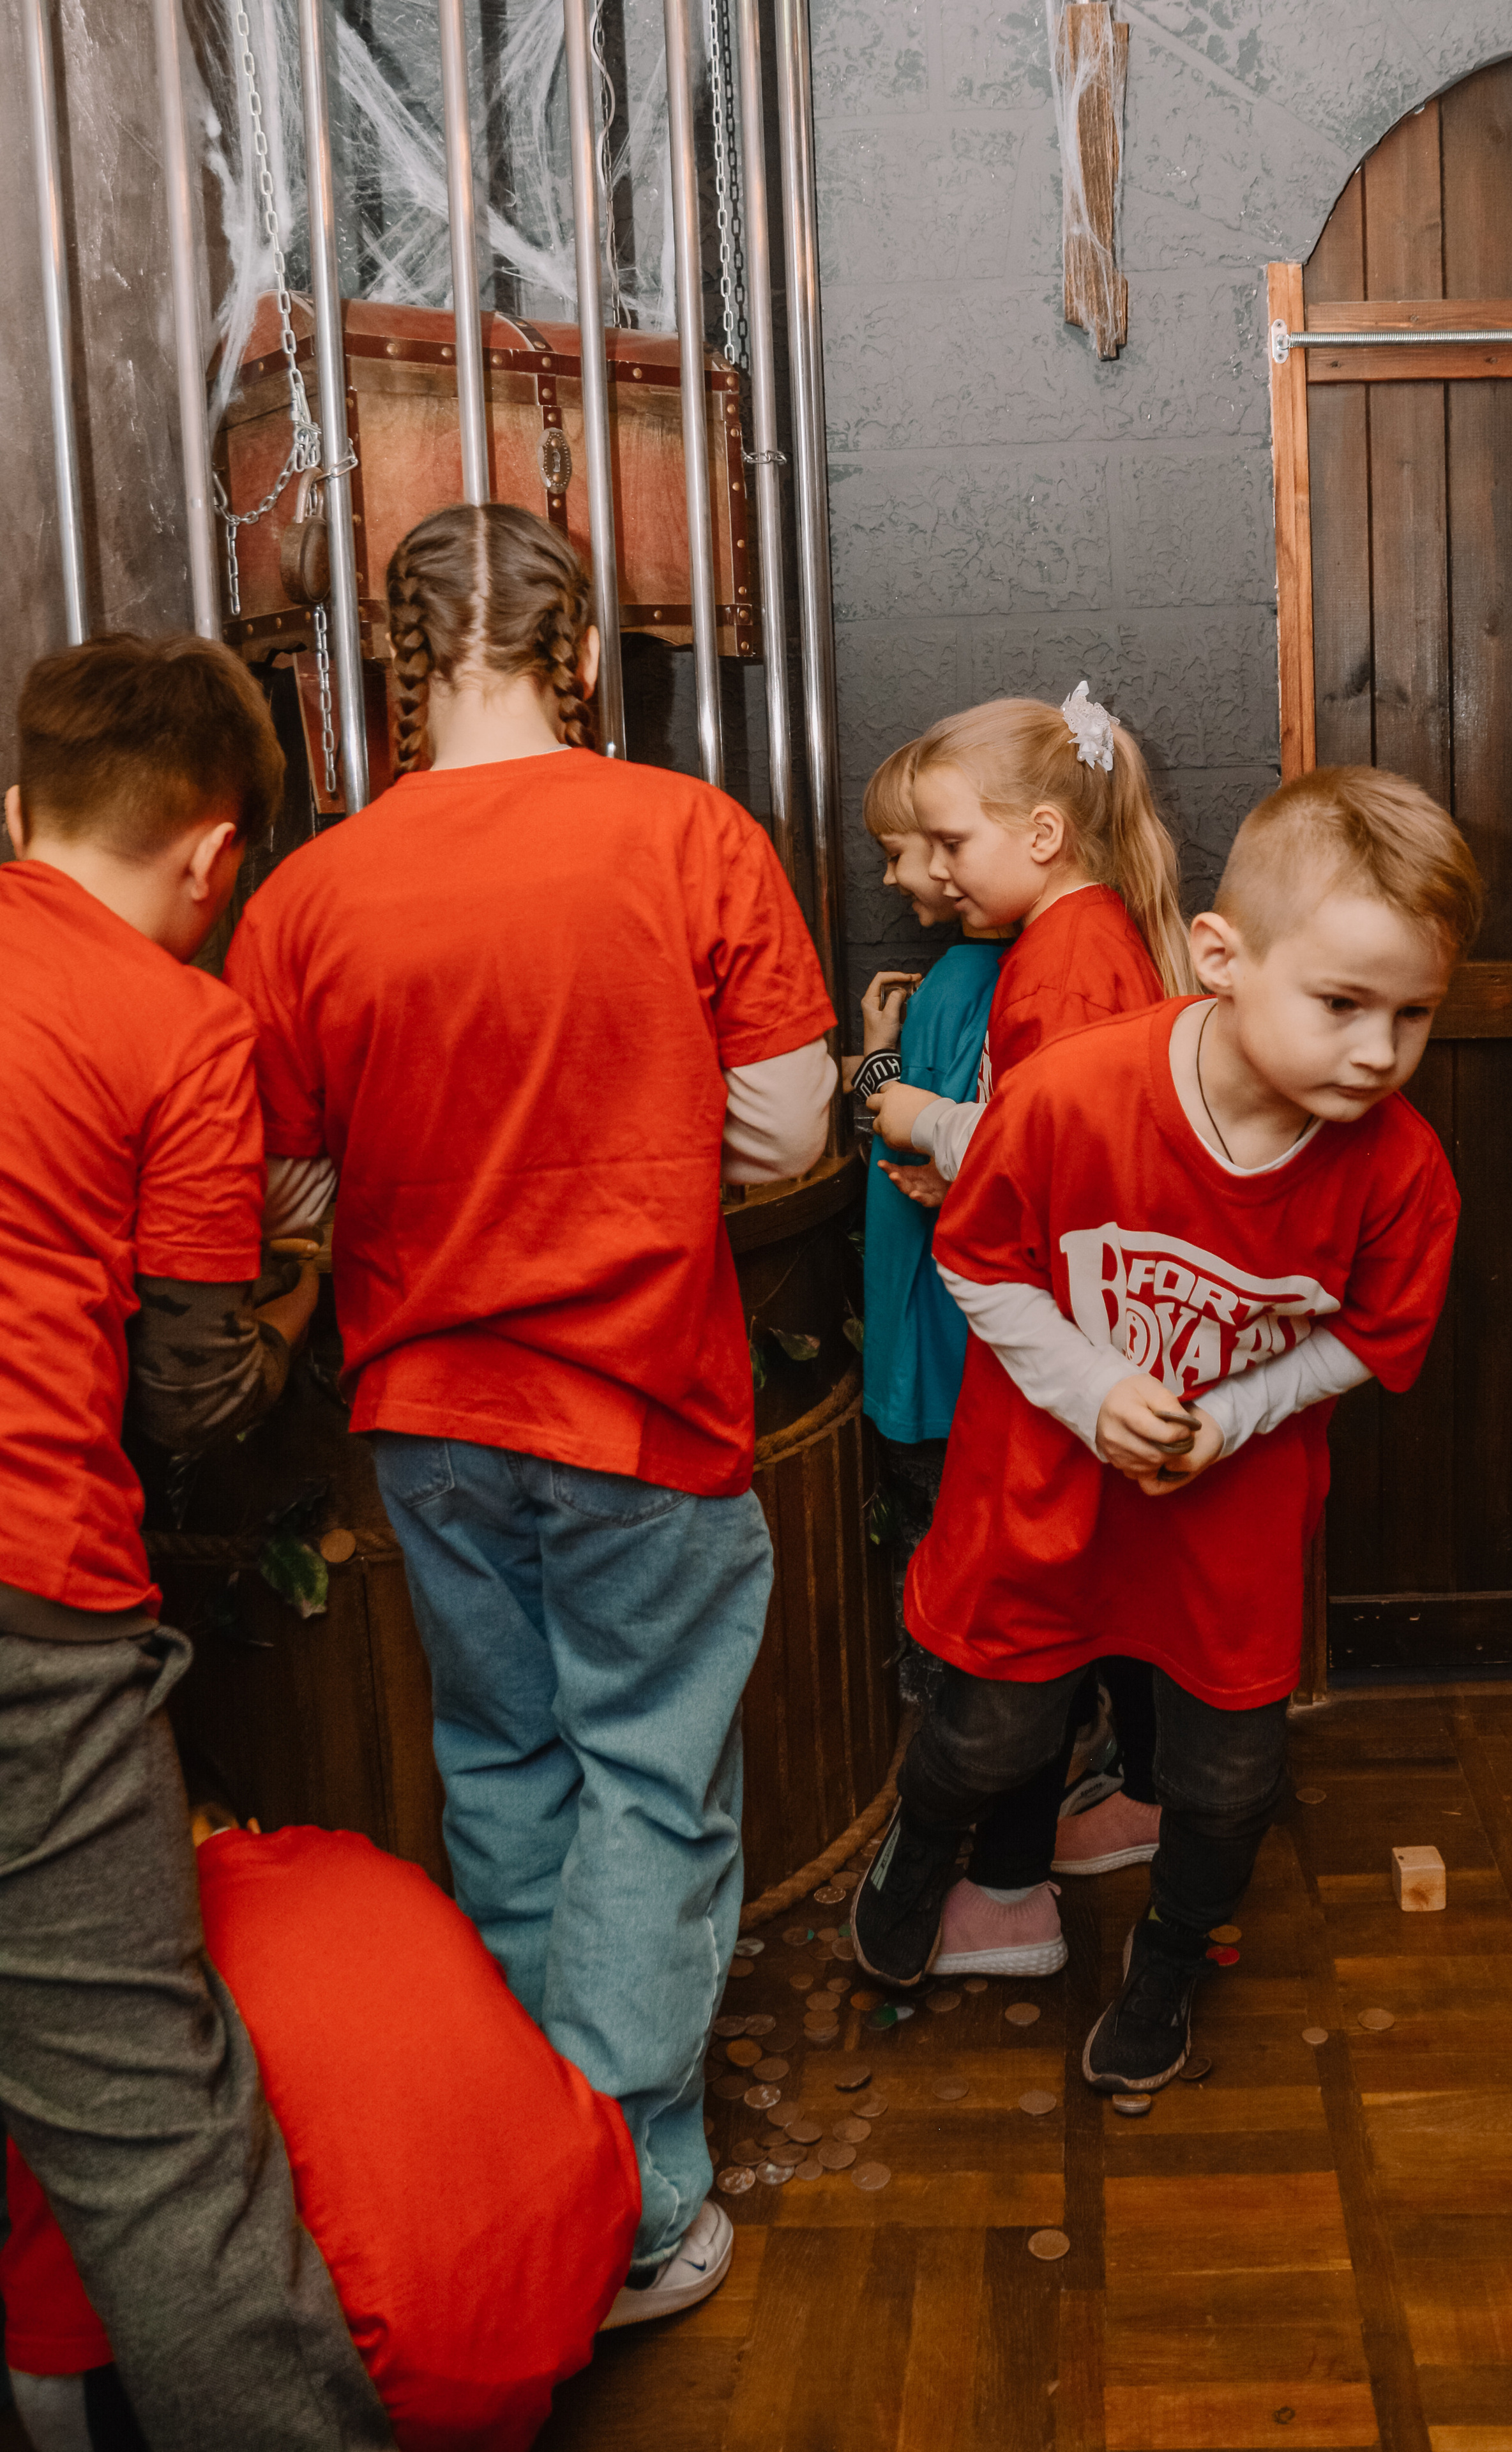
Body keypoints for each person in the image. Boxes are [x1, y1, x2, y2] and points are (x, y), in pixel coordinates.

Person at [223, 503, 837, 2322]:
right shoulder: (690, 833)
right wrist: (645, 1179)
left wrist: (413, 1202)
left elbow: (274, 1187)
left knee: (505, 1772)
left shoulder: (307, 891)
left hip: (426, 1412)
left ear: (396, 677)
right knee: (654, 1785)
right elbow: (795, 1132)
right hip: (643, 1399)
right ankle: (629, 2209)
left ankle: (517, 2179)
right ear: (581, 661)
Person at [861, 766, 1479, 2096]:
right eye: (1339, 1004)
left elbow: (1368, 1338)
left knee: (1224, 1777)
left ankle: (1167, 1968)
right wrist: (1088, 1391)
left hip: (1225, 1529)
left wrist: (1238, 1413)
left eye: (1411, 1015)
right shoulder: (1072, 1097)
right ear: (1219, 956)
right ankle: (919, 1850)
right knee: (992, 1734)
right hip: (1040, 1496)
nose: (1376, 1052)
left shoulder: (1400, 1170)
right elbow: (978, 1262)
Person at [0, 636, 394, 2449]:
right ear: (217, 857)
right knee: (153, 2135)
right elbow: (187, 1395)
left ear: (18, 810)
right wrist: (294, 1296)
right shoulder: (181, 1025)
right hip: (28, 1598)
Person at [863, 687, 1190, 1983]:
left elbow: (1023, 1158)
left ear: (1044, 835)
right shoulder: (1085, 941)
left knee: (1020, 1637)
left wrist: (901, 1116)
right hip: (1079, 1351)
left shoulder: (1056, 962)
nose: (931, 873)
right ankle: (1056, 1861)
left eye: (949, 845)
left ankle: (999, 1895)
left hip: (1046, 1362)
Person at [3, 1807, 640, 2452]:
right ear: (247, 1826)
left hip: (389, 2387)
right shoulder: (355, 1855)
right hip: (578, 2269)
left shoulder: (108, 1991)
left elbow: (55, 2347)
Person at [846, 741, 1004, 1649]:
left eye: (902, 851)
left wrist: (876, 1068)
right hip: (928, 1335)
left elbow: (910, 1136)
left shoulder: (979, 983)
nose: (894, 874)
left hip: (945, 1345)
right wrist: (880, 1046)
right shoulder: (951, 978)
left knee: (952, 1570)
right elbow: (901, 1129)